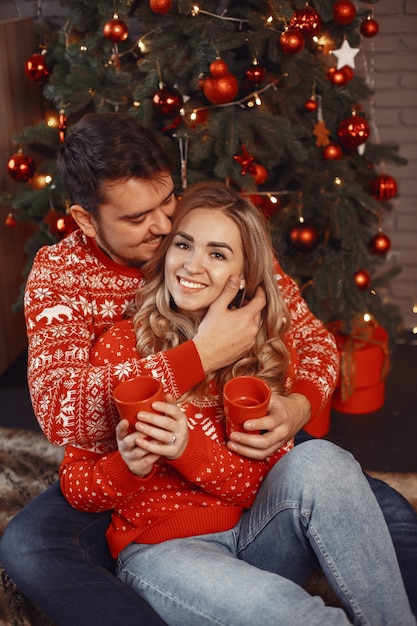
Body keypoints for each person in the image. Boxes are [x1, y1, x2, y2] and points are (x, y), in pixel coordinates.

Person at [0, 112, 415, 625]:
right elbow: (62, 410)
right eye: (136, 218)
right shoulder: (63, 275)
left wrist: (296, 405)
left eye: (168, 200)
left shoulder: (201, 232)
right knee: (28, 547)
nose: (165, 226)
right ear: (87, 220)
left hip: (232, 434)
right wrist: (205, 353)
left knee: (387, 511)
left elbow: (310, 339)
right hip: (135, 459)